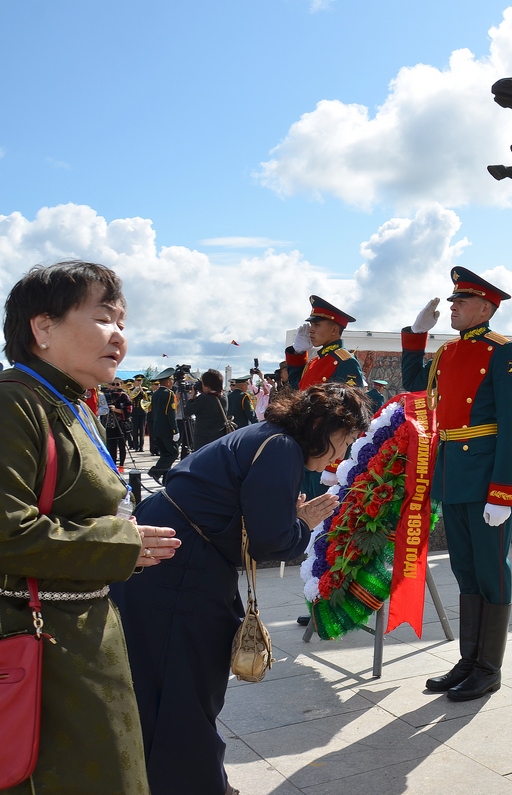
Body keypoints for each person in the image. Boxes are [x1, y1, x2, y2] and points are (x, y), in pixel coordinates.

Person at [110, 383, 368, 795]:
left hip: (172, 558)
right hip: (182, 567)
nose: (339, 455)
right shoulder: (282, 447)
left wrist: (291, 518)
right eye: (344, 441)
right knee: (185, 688)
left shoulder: (268, 436)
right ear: (322, 425)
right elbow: (269, 538)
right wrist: (301, 525)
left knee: (164, 681)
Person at [0, 260, 180, 794]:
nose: (119, 336)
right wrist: (122, 542)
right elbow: (7, 531)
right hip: (39, 641)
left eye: (123, 322)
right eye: (104, 318)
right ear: (43, 327)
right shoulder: (15, 403)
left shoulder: (69, 402)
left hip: (81, 630)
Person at [401, 267, 512, 702]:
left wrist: (504, 492)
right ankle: (469, 659)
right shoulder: (447, 353)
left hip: (486, 475)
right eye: (453, 300)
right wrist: (416, 337)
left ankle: (489, 668)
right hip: (453, 472)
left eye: (462, 301)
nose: (452, 306)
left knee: (491, 571)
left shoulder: (503, 352)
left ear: (487, 308)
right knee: (464, 571)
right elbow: (415, 387)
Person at [284, 295, 364, 499]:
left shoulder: (345, 362)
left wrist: (334, 464)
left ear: (334, 329)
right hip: (306, 446)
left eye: (317, 324)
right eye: (311, 324)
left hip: (325, 454)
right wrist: (297, 354)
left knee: (321, 519)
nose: (311, 329)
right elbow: (297, 389)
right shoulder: (316, 360)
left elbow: (349, 416)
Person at [187, 369, 230, 451]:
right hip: (219, 437)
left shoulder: (203, 399)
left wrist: (192, 398)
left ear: (207, 386)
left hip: (203, 439)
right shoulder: (224, 397)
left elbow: (187, 412)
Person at [148, 368, 180, 480]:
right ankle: (155, 472)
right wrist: (175, 430)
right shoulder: (169, 394)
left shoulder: (155, 394)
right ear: (167, 382)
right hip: (166, 429)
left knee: (165, 454)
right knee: (173, 453)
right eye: (171, 380)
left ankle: (166, 476)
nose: (172, 382)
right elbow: (170, 414)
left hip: (157, 428)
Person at [104, 379, 133, 469]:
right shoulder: (106, 396)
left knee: (122, 446)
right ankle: (112, 465)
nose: (115, 386)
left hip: (122, 424)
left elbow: (129, 410)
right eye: (113, 384)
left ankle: (121, 465)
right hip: (110, 424)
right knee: (111, 446)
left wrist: (116, 409)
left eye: (117, 384)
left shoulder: (124, 396)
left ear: (121, 385)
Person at [129, 374, 150, 451]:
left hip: (142, 412)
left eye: (140, 380)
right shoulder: (131, 390)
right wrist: (136, 389)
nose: (139, 382)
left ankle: (141, 446)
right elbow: (130, 397)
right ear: (135, 381)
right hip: (134, 412)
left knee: (142, 430)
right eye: (137, 380)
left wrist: (141, 391)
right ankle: (135, 446)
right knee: (134, 430)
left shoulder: (145, 390)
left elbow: (147, 399)